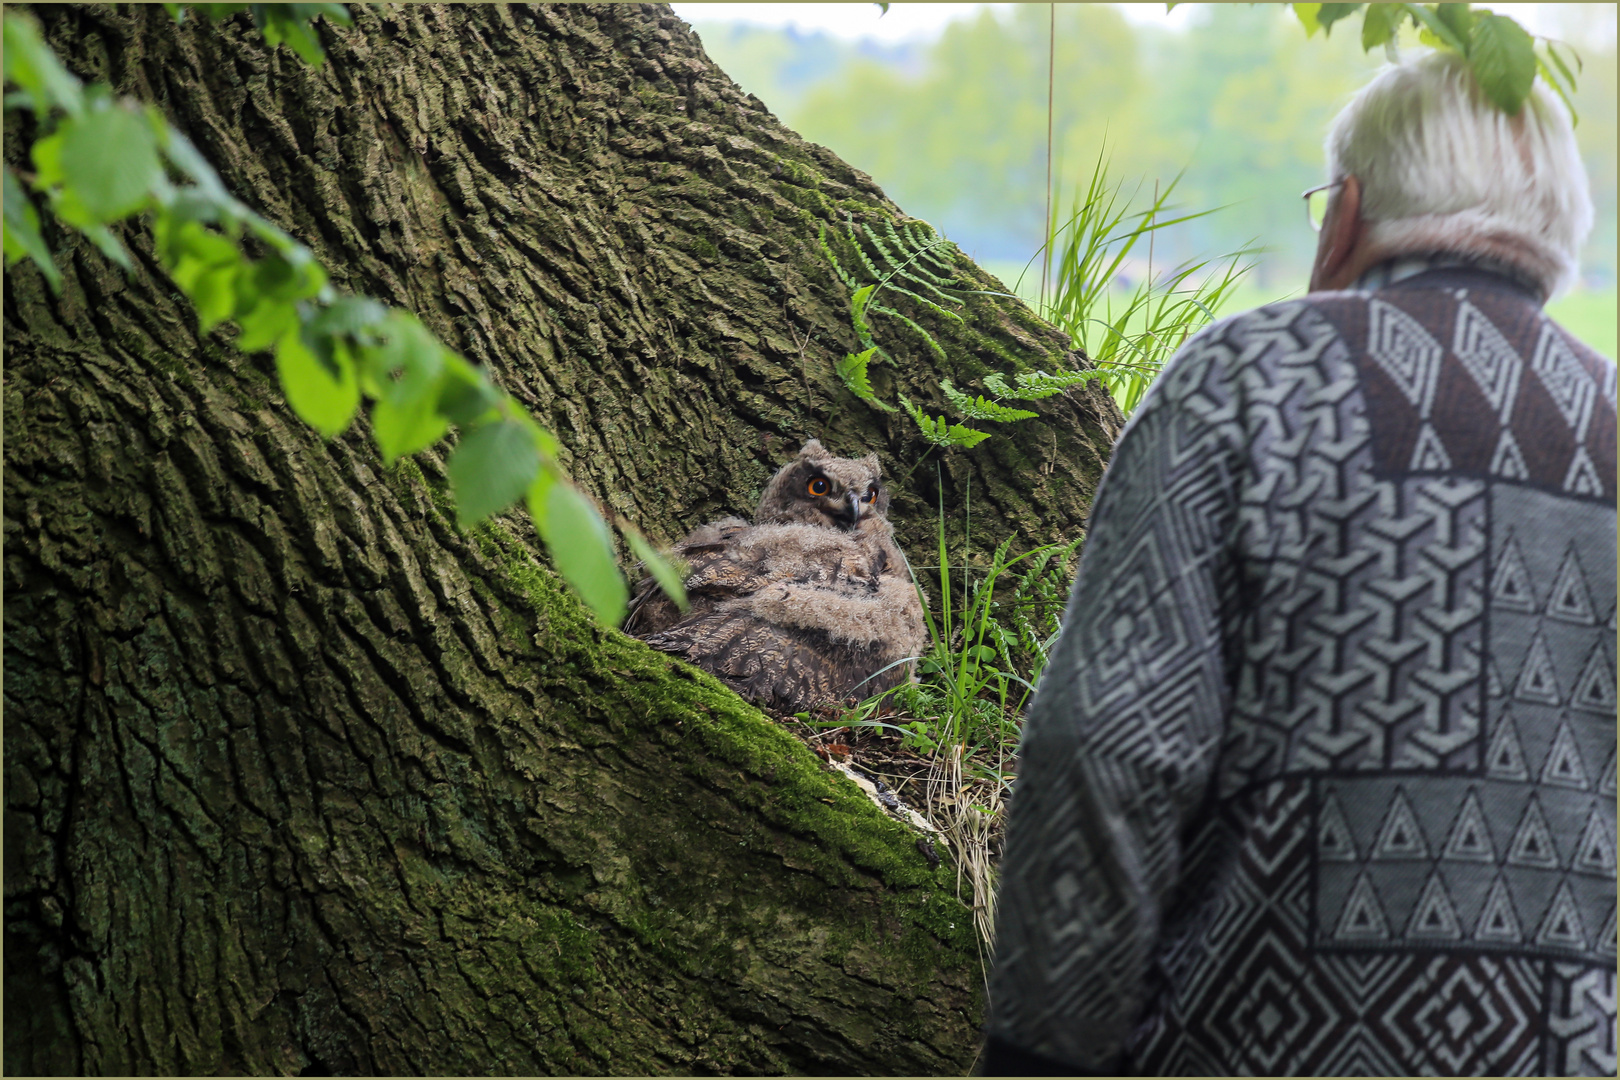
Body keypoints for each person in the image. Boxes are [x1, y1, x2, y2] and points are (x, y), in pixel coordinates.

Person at [984, 51, 1615, 1077]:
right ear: (1556, 232)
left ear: (1347, 211)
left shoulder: (1244, 384)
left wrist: (1040, 1055)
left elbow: (1104, 748)